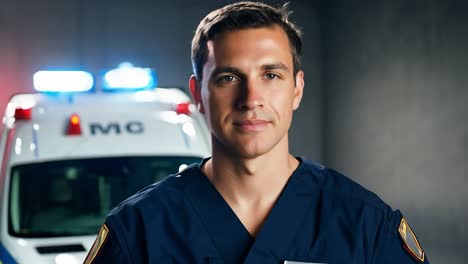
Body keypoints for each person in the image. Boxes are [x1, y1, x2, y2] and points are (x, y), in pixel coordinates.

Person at [84, 1, 429, 263]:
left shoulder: (364, 224)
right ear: (197, 94)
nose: (251, 99)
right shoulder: (138, 231)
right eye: (228, 78)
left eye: (271, 75)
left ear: (297, 89)